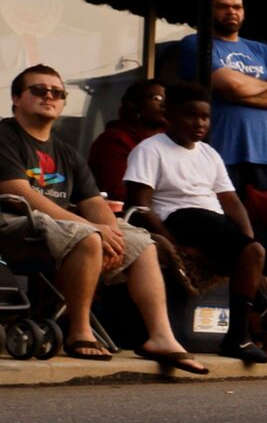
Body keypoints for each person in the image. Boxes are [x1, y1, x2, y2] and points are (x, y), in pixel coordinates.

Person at [0, 65, 207, 373]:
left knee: (141, 242)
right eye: (39, 90)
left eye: (57, 93)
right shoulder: (5, 135)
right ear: (16, 98)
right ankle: (80, 331)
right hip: (12, 220)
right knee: (88, 236)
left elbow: (93, 201)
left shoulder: (66, 151)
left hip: (57, 227)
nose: (49, 96)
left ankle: (161, 337)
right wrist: (91, 228)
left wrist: (113, 235)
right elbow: (17, 192)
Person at [121, 83, 267, 363]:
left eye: (205, 117)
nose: (200, 123)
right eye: (191, 116)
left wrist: (248, 240)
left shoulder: (209, 153)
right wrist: (174, 245)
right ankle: (238, 337)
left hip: (215, 222)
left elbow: (231, 201)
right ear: (170, 114)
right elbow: (139, 204)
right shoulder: (150, 149)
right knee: (251, 250)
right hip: (180, 218)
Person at [164, 0, 267, 232]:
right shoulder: (196, 43)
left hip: (264, 155)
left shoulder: (261, 50)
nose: (232, 12)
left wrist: (239, 94)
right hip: (220, 151)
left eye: (237, 7)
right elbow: (230, 85)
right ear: (208, 10)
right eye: (223, 6)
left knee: (263, 228)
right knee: (223, 227)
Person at [88, 78, 166, 203]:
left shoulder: (173, 140)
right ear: (134, 105)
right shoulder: (114, 140)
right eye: (156, 98)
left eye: (168, 99)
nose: (164, 104)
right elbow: (118, 193)